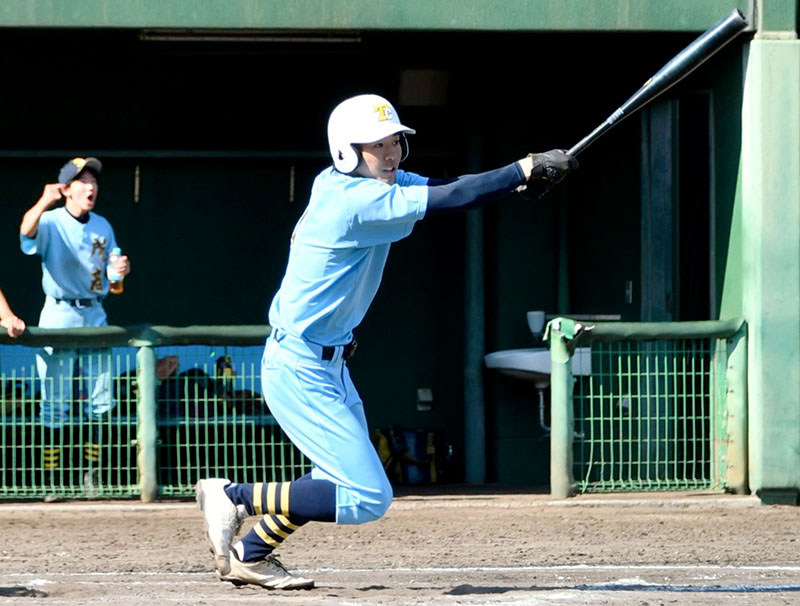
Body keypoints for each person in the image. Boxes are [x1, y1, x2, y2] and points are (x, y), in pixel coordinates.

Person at [195, 94, 578, 590]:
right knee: (367, 497)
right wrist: (520, 169)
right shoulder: (355, 200)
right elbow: (450, 200)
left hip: (325, 363)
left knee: (333, 482)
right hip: (299, 365)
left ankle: (252, 551)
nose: (393, 152)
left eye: (396, 140)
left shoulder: (363, 183)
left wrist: (514, 182)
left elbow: (450, 188)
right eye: (378, 145)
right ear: (347, 152)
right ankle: (235, 496)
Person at [19, 157, 131, 488]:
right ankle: (52, 480)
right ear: (67, 189)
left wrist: (119, 273)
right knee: (54, 400)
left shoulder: (103, 225)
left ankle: (92, 477)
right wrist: (43, 200)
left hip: (94, 311)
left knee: (100, 399)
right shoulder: (51, 220)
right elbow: (25, 234)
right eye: (82, 181)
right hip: (58, 312)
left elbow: (111, 280)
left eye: (93, 181)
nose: (91, 186)